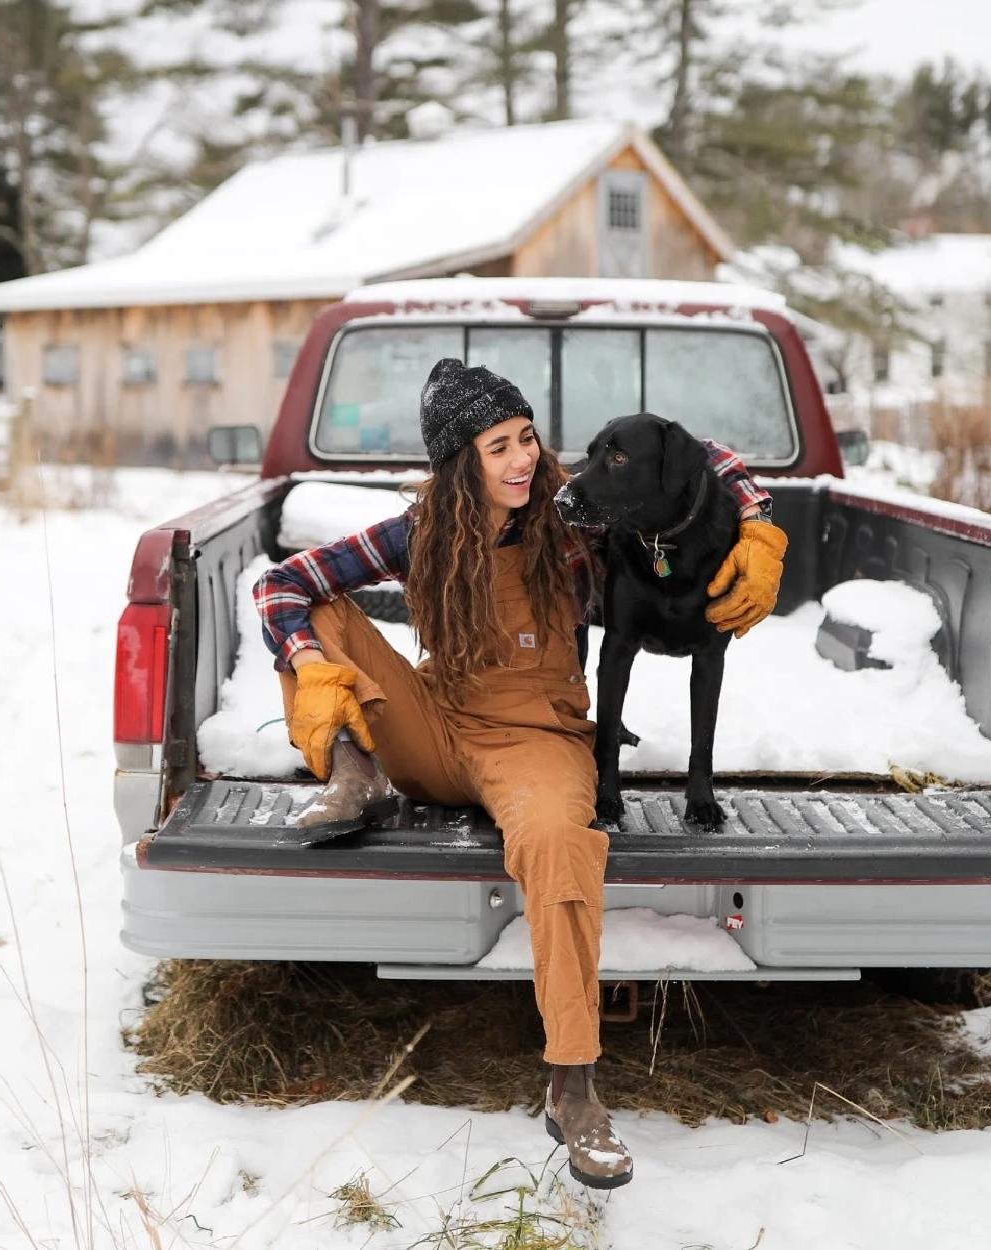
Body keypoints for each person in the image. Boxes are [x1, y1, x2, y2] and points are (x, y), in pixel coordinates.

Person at [253, 358, 787, 1190]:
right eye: (497, 445)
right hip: (435, 726)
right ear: (459, 463)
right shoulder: (417, 530)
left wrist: (755, 521)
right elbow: (284, 585)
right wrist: (315, 670)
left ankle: (573, 1086)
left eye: (527, 438)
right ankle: (353, 772)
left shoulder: (571, 517)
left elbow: (701, 454)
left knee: (558, 846)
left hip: (535, 741)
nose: (521, 460)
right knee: (317, 613)